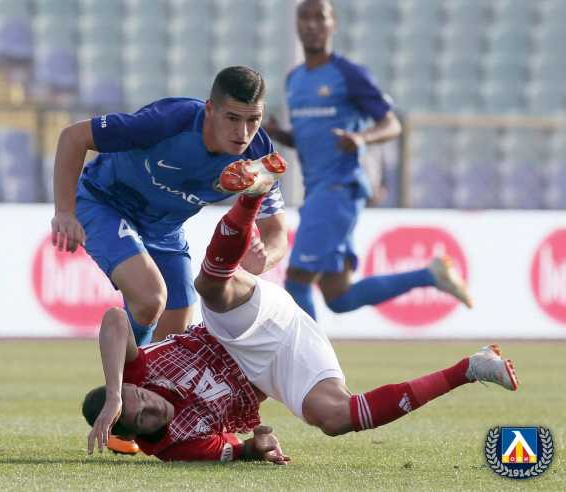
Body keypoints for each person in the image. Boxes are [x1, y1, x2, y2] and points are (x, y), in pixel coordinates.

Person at [82, 172, 519, 463]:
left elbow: (114, 321)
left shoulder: (135, 371)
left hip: (233, 331)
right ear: (139, 436)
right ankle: (472, 367)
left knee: (209, 289)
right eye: (142, 417)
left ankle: (251, 194)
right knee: (334, 419)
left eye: (140, 399)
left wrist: (118, 392)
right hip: (273, 371)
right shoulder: (175, 446)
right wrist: (259, 449)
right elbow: (236, 452)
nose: (150, 406)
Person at [51, 66, 288, 348]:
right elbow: (73, 137)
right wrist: (64, 211)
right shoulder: (169, 121)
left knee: (175, 334)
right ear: (210, 109)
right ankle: (122, 373)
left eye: (254, 120)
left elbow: (276, 231)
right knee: (150, 299)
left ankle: (132, 385)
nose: (243, 132)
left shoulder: (259, 156)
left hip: (165, 229)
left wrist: (265, 257)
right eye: (233, 118)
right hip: (104, 202)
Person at [263, 0, 471, 321]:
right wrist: (280, 133)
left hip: (339, 188)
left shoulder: (348, 74)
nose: (312, 24)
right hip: (318, 189)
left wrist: (361, 139)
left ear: (333, 24)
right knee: (338, 296)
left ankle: (310, 370)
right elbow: (309, 138)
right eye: (305, 17)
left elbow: (392, 124)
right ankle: (429, 275)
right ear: (297, 25)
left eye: (320, 17)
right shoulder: (294, 80)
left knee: (298, 280)